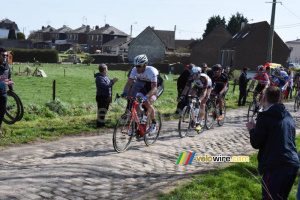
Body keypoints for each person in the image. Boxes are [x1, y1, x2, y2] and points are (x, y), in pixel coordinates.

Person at [246, 86, 299, 200]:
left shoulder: (264, 117)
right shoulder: (288, 116)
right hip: (292, 164)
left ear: (264, 98)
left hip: (276, 165)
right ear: (280, 99)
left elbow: (256, 143)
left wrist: (252, 129)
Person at [122, 54, 164, 135]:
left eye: (139, 66)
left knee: (147, 102)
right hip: (146, 85)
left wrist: (146, 97)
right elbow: (129, 83)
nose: (137, 68)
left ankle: (154, 123)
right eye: (136, 65)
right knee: (136, 102)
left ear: (145, 65)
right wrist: (125, 93)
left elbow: (154, 88)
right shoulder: (134, 70)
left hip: (157, 86)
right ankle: (137, 124)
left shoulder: (151, 71)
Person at [178, 66, 209, 131]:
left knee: (202, 103)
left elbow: (204, 92)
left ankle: (200, 122)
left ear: (199, 74)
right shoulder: (191, 77)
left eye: (195, 74)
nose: (194, 76)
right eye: (193, 74)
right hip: (197, 86)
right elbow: (186, 88)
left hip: (206, 87)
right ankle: (193, 117)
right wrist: (182, 96)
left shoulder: (204, 78)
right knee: (190, 97)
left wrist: (200, 100)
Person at [0, 48, 14, 132]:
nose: (5, 57)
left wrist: (11, 89)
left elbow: (9, 77)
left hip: (3, 93)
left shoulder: (7, 66)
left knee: (2, 112)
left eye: (6, 55)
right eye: (3, 55)